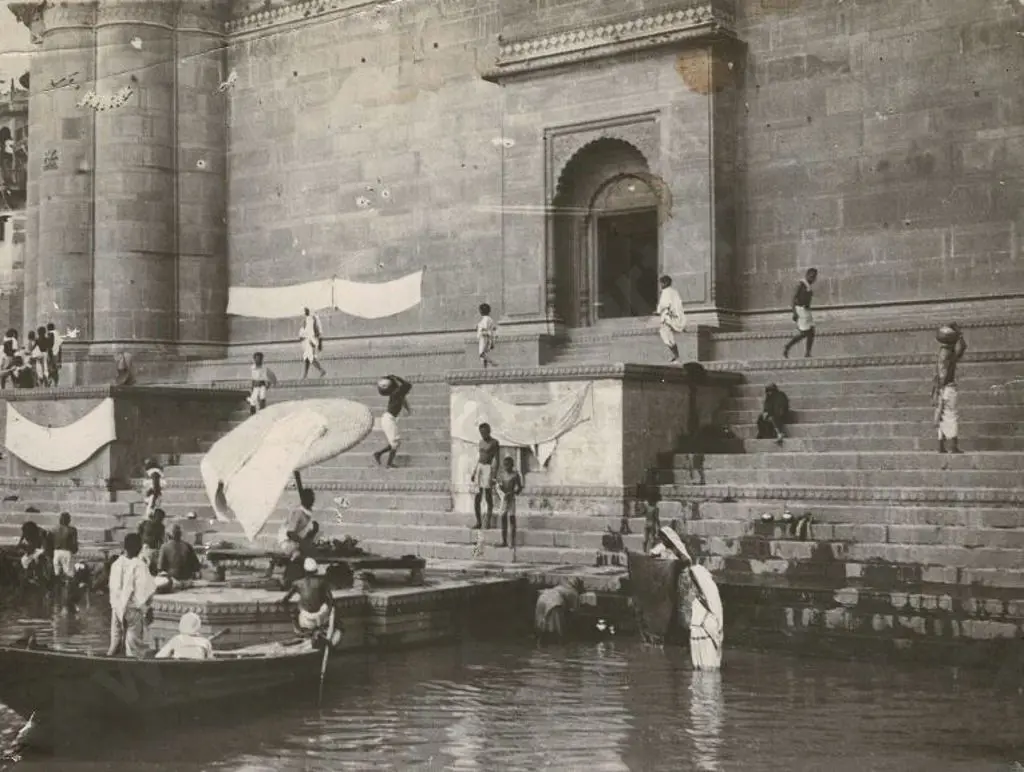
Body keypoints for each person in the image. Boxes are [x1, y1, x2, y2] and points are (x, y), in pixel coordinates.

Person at [107, 533, 157, 658]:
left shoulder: (116, 564)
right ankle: (131, 665)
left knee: (115, 643)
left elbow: (113, 589)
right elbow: (143, 592)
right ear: (139, 548)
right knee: (133, 647)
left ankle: (109, 660)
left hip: (117, 609)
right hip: (133, 610)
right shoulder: (140, 565)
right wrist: (146, 609)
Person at [933, 323, 968, 454]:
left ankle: (941, 445)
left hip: (943, 388)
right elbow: (963, 347)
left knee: (942, 415)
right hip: (948, 388)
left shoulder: (943, 353)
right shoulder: (949, 354)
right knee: (951, 415)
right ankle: (952, 445)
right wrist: (959, 334)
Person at [281, 558, 333, 635]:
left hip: (305, 615)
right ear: (315, 571)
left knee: (296, 608)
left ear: (304, 571)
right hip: (320, 615)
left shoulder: (297, 583)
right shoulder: (322, 582)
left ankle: (298, 630)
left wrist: (283, 602)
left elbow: (286, 598)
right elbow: (330, 599)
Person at [372, 374, 412, 469]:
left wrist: (408, 409)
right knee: (395, 443)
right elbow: (408, 385)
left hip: (390, 419)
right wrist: (397, 378)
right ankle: (388, 463)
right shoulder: (396, 393)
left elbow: (403, 400)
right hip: (388, 419)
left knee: (395, 443)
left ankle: (379, 454)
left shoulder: (397, 394)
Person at [278, 487, 320, 563]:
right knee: (305, 553)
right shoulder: (298, 512)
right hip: (286, 542)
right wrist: (304, 544)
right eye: (310, 498)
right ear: (304, 500)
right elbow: (290, 533)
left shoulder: (307, 512)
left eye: (313, 498)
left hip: (296, 541)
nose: (312, 501)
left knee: (314, 525)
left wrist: (313, 532)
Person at [783, 268, 818, 359]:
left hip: (806, 311)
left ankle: (807, 353)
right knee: (804, 333)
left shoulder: (808, 286)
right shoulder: (800, 284)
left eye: (814, 277)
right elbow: (793, 299)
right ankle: (788, 346)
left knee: (811, 332)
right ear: (807, 275)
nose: (813, 278)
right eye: (811, 276)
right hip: (800, 310)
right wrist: (794, 313)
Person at [471, 423, 500, 530]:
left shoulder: (494, 442)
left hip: (488, 468)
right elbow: (479, 458)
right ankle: (478, 522)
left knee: (488, 496)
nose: (483, 434)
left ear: (489, 431)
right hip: (480, 468)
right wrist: (474, 472)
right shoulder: (480, 442)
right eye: (481, 432)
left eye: (485, 432)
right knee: (477, 497)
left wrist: (494, 476)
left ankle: (487, 522)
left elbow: (497, 459)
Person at [656, 275, 686, 364]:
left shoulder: (666, 292)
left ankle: (677, 356)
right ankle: (676, 356)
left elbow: (664, 304)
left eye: (661, 283)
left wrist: (659, 311)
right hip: (673, 317)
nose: (660, 285)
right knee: (668, 337)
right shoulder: (674, 292)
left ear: (665, 283)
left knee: (666, 337)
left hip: (668, 317)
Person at [495, 455, 522, 548]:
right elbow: (498, 487)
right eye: (505, 465)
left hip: (511, 498)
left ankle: (512, 542)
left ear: (512, 465)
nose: (506, 467)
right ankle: (504, 541)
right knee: (503, 519)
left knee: (512, 519)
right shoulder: (502, 474)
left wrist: (513, 492)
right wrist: (501, 492)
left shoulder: (515, 475)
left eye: (508, 465)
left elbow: (519, 488)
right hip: (504, 498)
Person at [52, 511, 78, 597]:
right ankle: (67, 600)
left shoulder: (54, 529)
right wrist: (74, 551)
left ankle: (56, 600)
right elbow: (74, 545)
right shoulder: (72, 530)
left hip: (56, 553)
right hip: (67, 552)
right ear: (68, 520)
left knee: (57, 576)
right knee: (69, 577)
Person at [299, 307, 326, 379]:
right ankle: (305, 375)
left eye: (306, 310)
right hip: (309, 340)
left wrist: (319, 342)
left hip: (311, 340)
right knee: (307, 358)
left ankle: (321, 370)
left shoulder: (313, 319)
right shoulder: (308, 318)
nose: (305, 311)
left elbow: (318, 331)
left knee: (310, 357)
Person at [137, 508, 166, 574]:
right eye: (159, 518)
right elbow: (139, 533)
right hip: (145, 549)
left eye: (162, 518)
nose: (161, 520)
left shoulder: (161, 527)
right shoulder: (145, 524)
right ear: (155, 516)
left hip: (155, 550)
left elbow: (161, 540)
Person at [476, 302, 497, 368]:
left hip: (484, 338)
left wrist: (480, 329)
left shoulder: (485, 319)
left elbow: (484, 328)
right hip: (487, 337)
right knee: (484, 354)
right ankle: (485, 367)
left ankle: (492, 362)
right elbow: (493, 328)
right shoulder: (490, 319)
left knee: (482, 354)